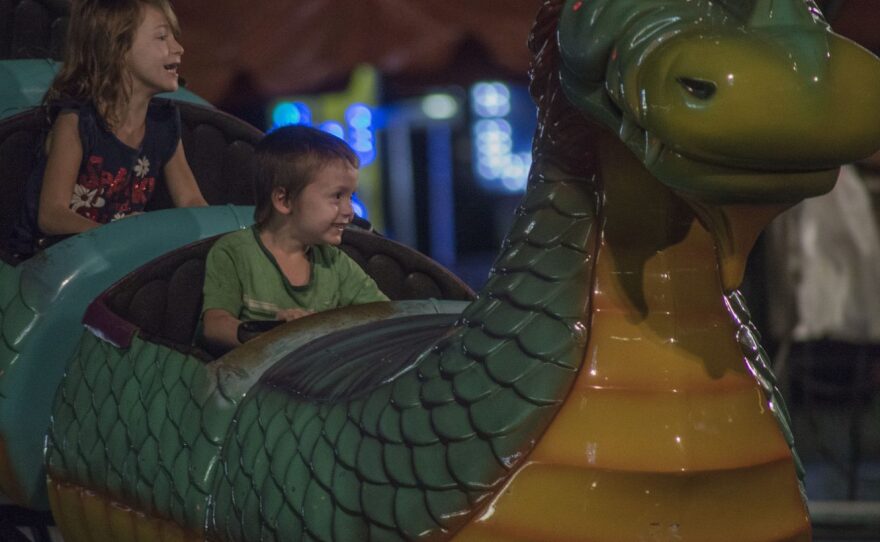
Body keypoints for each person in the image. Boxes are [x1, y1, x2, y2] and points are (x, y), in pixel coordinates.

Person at [9, 0, 207, 257]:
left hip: (114, 262)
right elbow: (51, 215)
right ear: (117, 49)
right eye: (162, 37)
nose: (178, 48)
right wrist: (122, 238)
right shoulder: (77, 122)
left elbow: (191, 201)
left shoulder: (165, 122)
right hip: (46, 263)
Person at [200, 125, 389, 352]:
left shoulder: (335, 263)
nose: (350, 211)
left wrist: (325, 325)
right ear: (284, 200)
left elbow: (386, 316)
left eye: (351, 196)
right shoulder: (234, 252)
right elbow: (215, 326)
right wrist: (271, 332)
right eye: (337, 196)